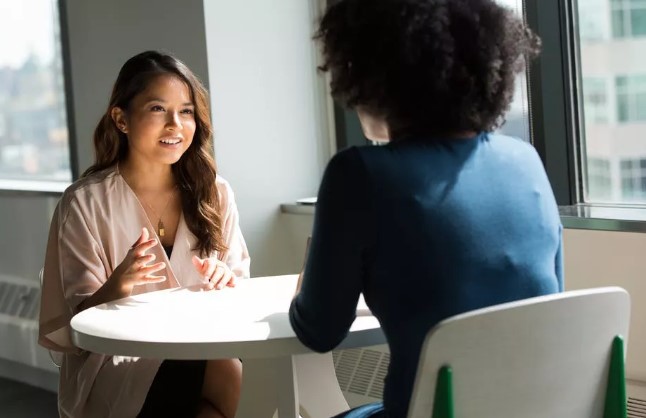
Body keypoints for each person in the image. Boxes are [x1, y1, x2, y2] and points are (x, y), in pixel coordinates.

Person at [289, 1, 562, 417]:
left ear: (372, 72)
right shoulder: (526, 161)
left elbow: (319, 331)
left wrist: (307, 283)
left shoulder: (359, 174)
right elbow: (549, 302)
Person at [38, 51, 250, 418]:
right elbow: (76, 330)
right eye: (157, 109)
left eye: (186, 111)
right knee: (222, 370)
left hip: (199, 346)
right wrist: (116, 286)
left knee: (220, 376)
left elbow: (241, 291)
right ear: (121, 119)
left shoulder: (215, 193)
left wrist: (226, 279)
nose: (175, 125)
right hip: (116, 362)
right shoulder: (85, 203)